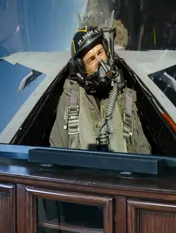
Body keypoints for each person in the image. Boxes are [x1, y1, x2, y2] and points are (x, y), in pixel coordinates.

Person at [48, 22, 151, 153]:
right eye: (91, 60)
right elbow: (56, 152)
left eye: (100, 53)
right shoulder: (70, 99)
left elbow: (142, 150)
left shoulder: (125, 97)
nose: (100, 62)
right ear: (82, 69)